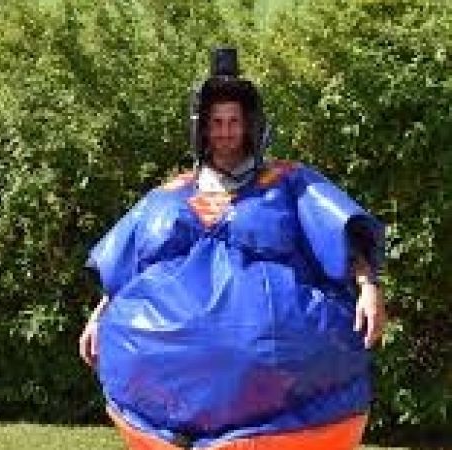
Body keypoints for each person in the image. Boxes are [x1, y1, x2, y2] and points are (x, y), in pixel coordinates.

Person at [79, 48, 386, 450]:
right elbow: (128, 264)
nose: (225, 132)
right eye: (217, 122)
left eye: (234, 122)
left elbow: (341, 232)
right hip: (169, 405)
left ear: (250, 126)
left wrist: (368, 287)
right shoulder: (170, 193)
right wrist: (98, 316)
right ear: (202, 129)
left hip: (279, 398)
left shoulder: (287, 182)